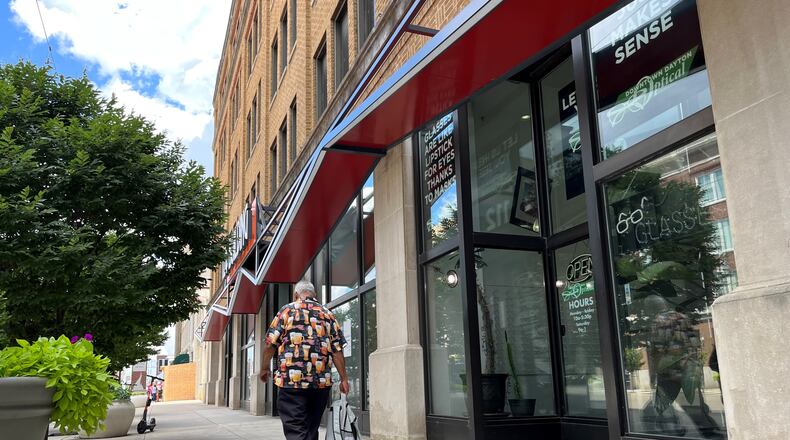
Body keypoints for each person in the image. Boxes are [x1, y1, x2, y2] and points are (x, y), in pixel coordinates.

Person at [261, 280, 349, 440]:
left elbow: (270, 344)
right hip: (320, 384)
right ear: (314, 295)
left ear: (296, 295)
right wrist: (344, 379)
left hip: (291, 384)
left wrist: (264, 368)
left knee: (296, 429)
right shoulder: (327, 314)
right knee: (311, 429)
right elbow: (337, 350)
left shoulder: (286, 311)